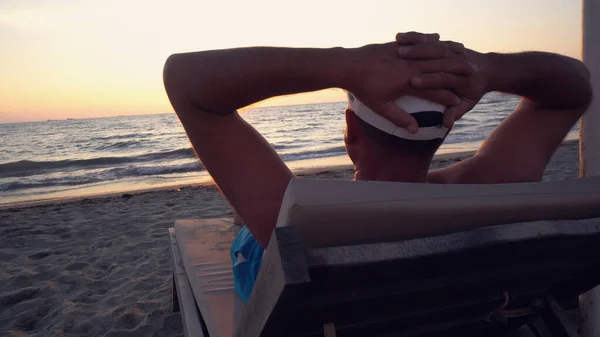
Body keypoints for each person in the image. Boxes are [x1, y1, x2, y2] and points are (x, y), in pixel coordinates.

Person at [162, 32, 592, 302]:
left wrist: (344, 62)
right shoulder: (490, 186)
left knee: (247, 225)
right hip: (451, 301)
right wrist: (490, 67)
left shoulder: (289, 221)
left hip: (309, 284)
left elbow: (185, 77)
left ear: (350, 129)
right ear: (446, 129)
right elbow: (575, 88)